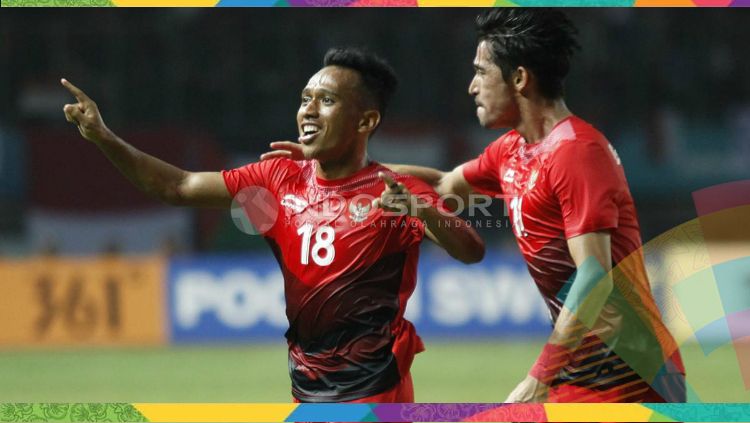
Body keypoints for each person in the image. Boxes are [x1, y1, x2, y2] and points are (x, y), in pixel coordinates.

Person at [264, 11, 686, 405]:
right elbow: (445, 183)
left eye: (480, 73)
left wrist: (538, 377)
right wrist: (335, 160)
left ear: (519, 78)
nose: (472, 87)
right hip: (583, 373)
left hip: (632, 377)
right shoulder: (512, 152)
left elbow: (595, 275)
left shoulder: (576, 152)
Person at [61, 47, 485, 403]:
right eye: (305, 98)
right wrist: (105, 138)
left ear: (365, 121)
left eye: (327, 100)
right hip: (307, 387)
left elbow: (470, 249)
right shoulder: (277, 179)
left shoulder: (397, 191)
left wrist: (420, 210)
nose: (308, 111)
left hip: (376, 388)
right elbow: (180, 186)